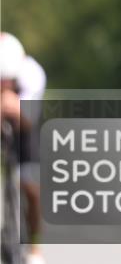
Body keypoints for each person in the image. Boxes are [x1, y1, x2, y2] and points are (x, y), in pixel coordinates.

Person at [0, 32, 46, 264]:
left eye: (7, 80)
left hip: (26, 125)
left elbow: (29, 117)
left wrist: (11, 106)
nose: (4, 84)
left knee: (31, 187)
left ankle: (34, 247)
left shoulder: (32, 73)